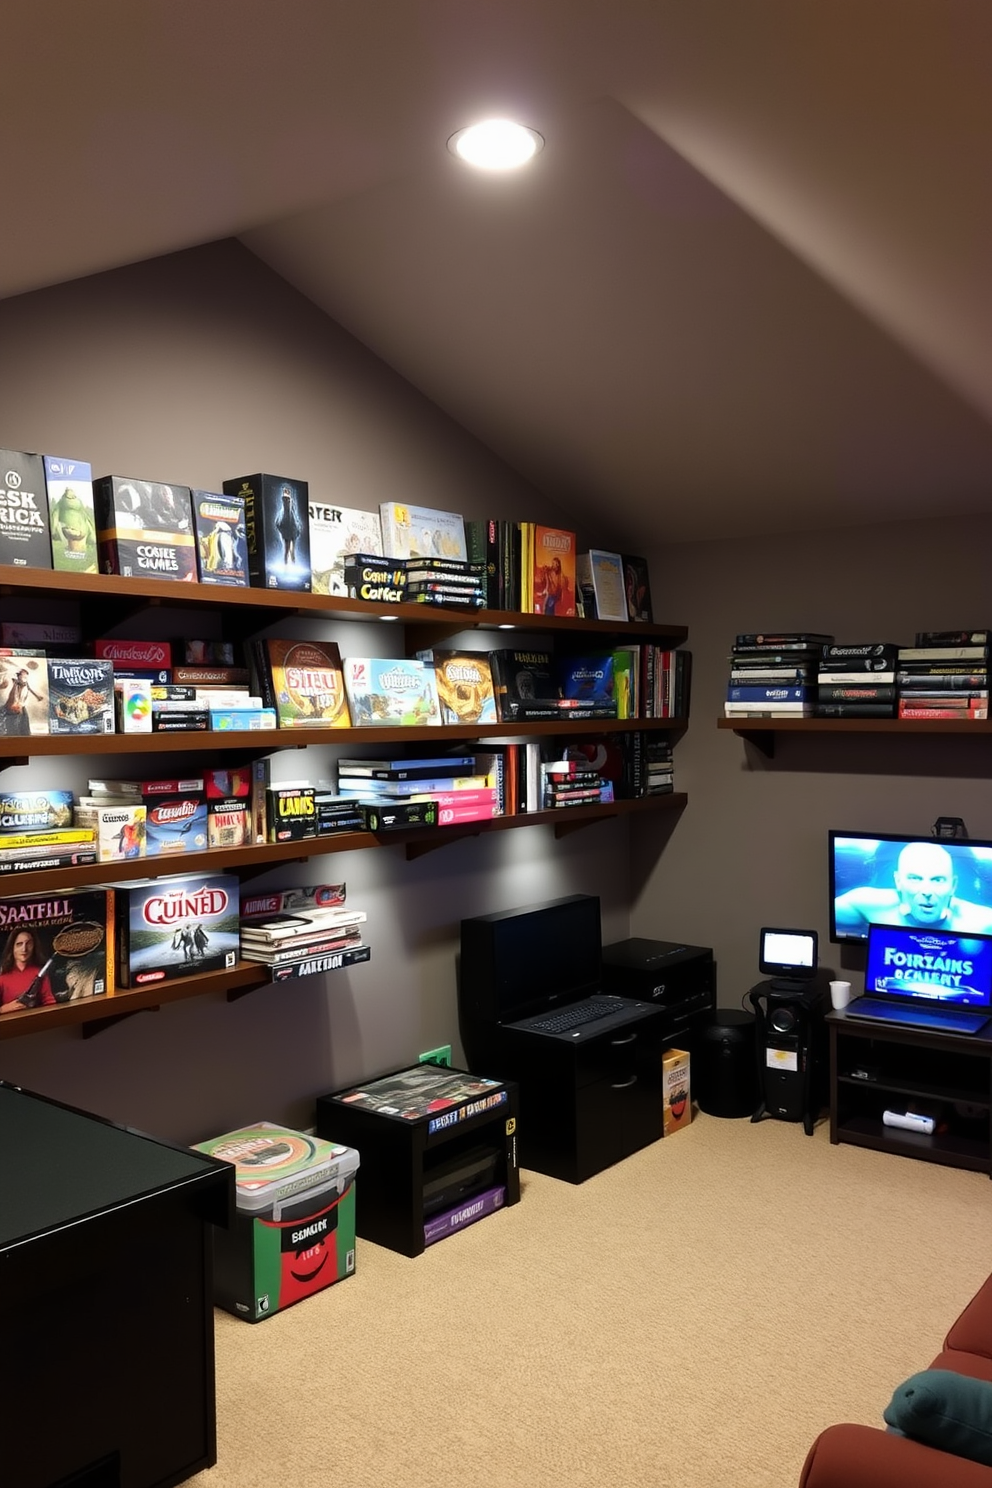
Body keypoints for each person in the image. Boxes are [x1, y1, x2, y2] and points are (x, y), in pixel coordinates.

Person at [833, 841, 992, 935]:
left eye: (937, 880)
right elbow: (820, 913)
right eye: (915, 878)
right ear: (898, 881)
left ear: (953, 886)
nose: (927, 892)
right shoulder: (867, 905)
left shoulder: (982, 922)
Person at [0, 929, 55, 1012]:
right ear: (12, 947)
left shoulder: (39, 973)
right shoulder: (2, 975)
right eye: (19, 944)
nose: (24, 949)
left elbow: (50, 1002)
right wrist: (3, 1009)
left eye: (28, 943)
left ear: (34, 946)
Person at [2, 667, 43, 735]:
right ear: (19, 676)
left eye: (26, 675)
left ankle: (24, 734)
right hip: (15, 706)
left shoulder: (25, 683)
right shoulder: (16, 683)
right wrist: (17, 704)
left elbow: (29, 689)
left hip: (22, 705)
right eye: (23, 675)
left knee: (24, 721)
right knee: (16, 721)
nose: (25, 677)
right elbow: (14, 695)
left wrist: (37, 696)